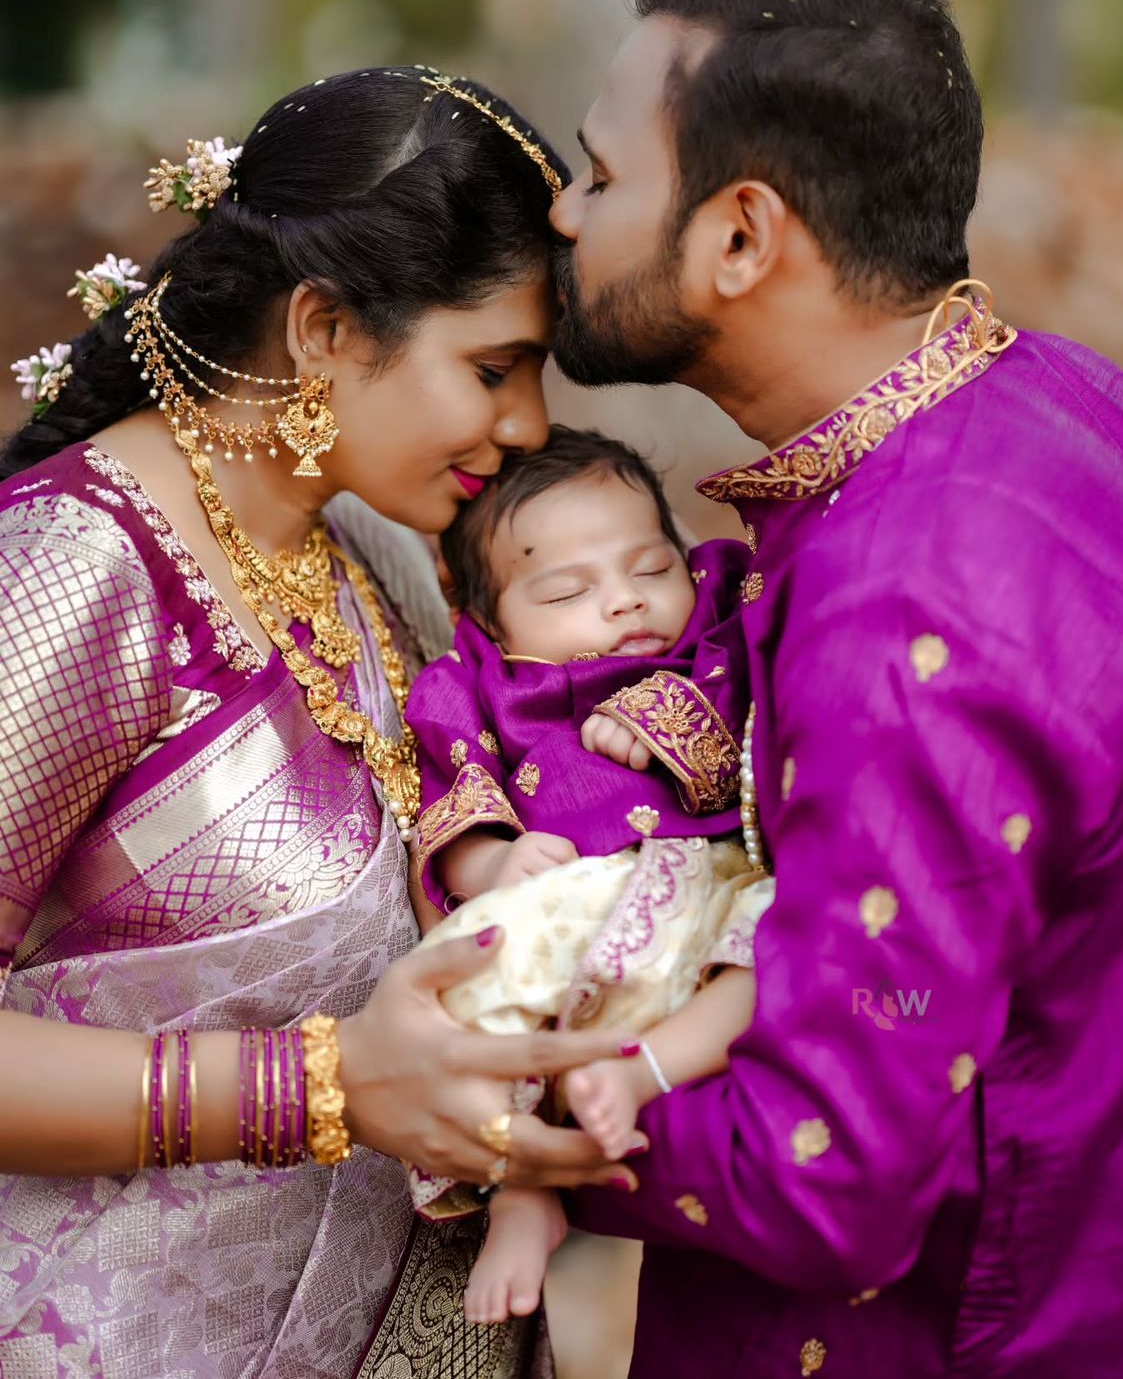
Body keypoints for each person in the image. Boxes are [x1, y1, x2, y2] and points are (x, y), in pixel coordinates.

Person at [548, 0, 1123, 1379]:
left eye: (598, 176)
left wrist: (477, 1108)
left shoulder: (906, 607)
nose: (561, 209)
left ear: (740, 237)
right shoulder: (1070, 399)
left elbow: (820, 1174)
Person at [0, 67, 643, 1379]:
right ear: (325, 330)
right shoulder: (79, 565)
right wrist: (322, 1087)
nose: (526, 428)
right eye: (494, 367)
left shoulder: (366, 556)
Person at [402, 424, 773, 1325]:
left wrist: (677, 714)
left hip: (706, 882)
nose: (624, 604)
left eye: (653, 568)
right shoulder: (473, 681)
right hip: (571, 906)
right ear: (490, 620)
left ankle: (642, 1072)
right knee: (476, 984)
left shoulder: (711, 632)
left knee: (776, 940)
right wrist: (494, 859)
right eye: (568, 589)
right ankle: (524, 1191)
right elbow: (453, 790)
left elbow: (759, 683)